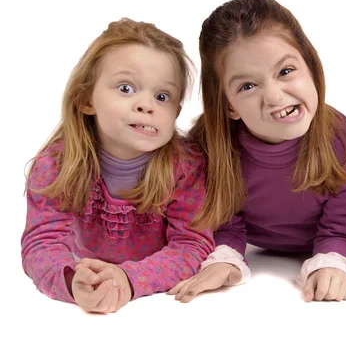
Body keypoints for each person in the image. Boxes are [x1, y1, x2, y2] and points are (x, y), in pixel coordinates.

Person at [168, 0, 346, 303]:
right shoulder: (211, 147)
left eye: (286, 71)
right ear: (229, 106)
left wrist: (332, 262)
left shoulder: (345, 143)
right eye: (247, 86)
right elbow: (225, 222)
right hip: (255, 247)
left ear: (311, 67)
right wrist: (225, 259)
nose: (274, 97)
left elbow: (339, 230)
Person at [21, 18, 214, 313]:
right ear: (85, 99)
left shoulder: (186, 167)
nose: (146, 105)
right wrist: (72, 280)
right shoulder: (57, 165)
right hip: (86, 268)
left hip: (157, 300)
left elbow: (190, 245)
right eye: (126, 88)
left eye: (162, 96)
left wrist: (129, 278)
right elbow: (41, 243)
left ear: (175, 112)